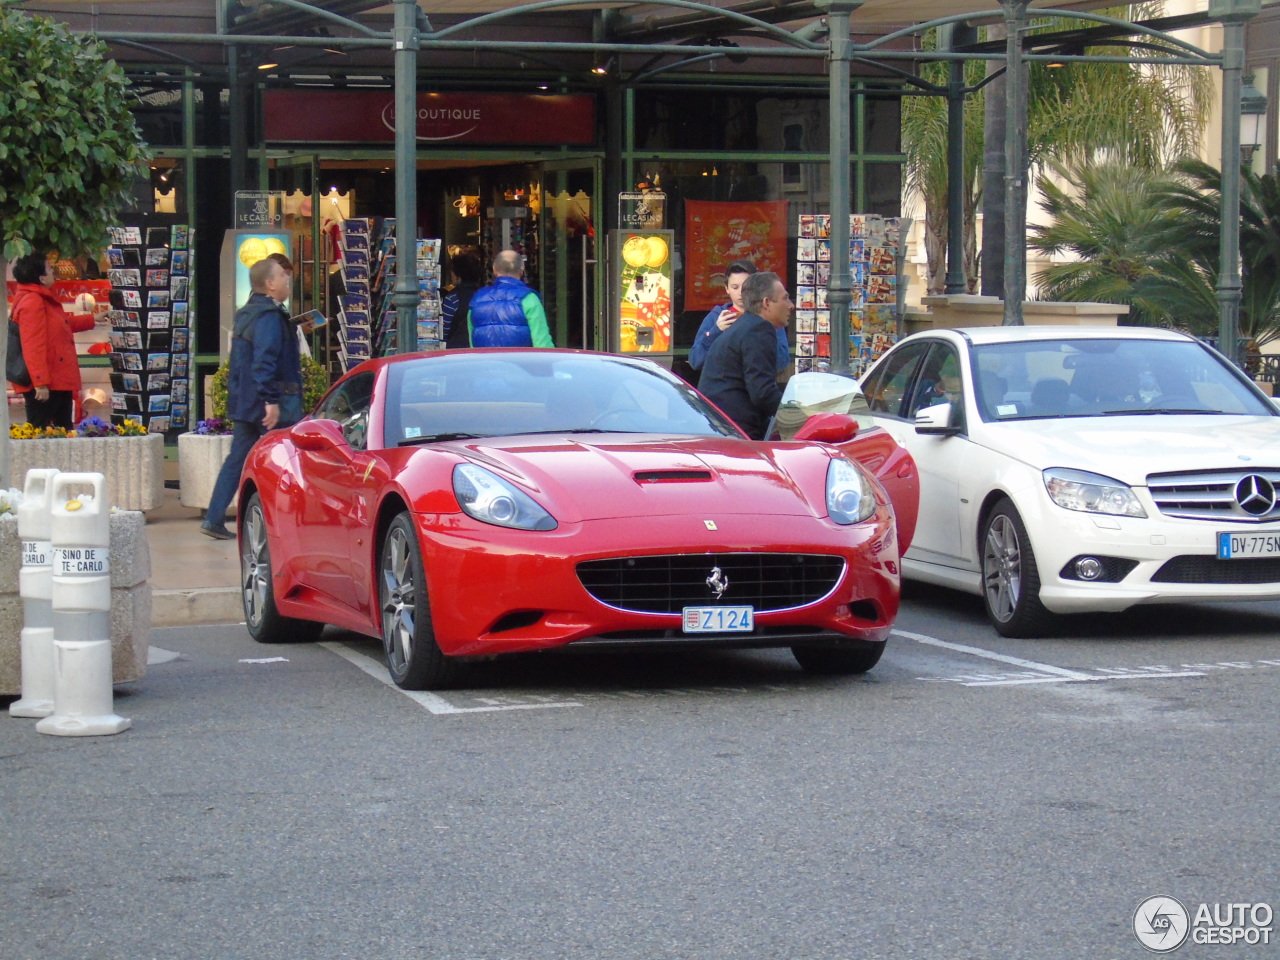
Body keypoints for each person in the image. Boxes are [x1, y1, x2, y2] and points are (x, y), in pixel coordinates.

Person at [201, 256, 301, 540]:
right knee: (286, 460)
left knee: (237, 459)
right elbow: (264, 359)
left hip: (244, 402)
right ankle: (284, 522)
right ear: (269, 284)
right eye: (282, 276)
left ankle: (214, 517)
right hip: (267, 404)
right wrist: (271, 401)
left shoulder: (247, 313)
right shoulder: (269, 316)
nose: (287, 281)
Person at [697, 271, 793, 440]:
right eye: (785, 298)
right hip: (736, 434)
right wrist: (800, 415)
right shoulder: (759, 329)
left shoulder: (746, 325)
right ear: (766, 303)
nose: (791, 305)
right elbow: (763, 393)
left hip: (722, 429)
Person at [9, 252, 96, 429]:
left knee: (60, 434)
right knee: (44, 435)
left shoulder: (39, 299)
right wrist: (40, 383)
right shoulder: (33, 301)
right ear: (41, 278)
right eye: (49, 268)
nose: (53, 271)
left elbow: (61, 324)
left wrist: (93, 319)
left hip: (54, 381)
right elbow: (32, 344)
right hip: (46, 384)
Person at [688, 260, 788, 374]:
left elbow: (782, 363)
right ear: (727, 288)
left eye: (746, 287)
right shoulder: (717, 317)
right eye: (735, 287)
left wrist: (767, 328)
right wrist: (716, 331)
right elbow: (696, 361)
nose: (741, 292)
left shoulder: (769, 315)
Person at [467, 249, 553, 348]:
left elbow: (472, 344)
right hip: (520, 363)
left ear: (494, 270)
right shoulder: (529, 298)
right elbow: (542, 345)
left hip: (485, 363)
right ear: (521, 271)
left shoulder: (477, 300)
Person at [442, 251, 483, 349]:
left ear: (458, 275)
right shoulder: (484, 295)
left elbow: (445, 330)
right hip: (480, 347)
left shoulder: (452, 298)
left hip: (457, 350)